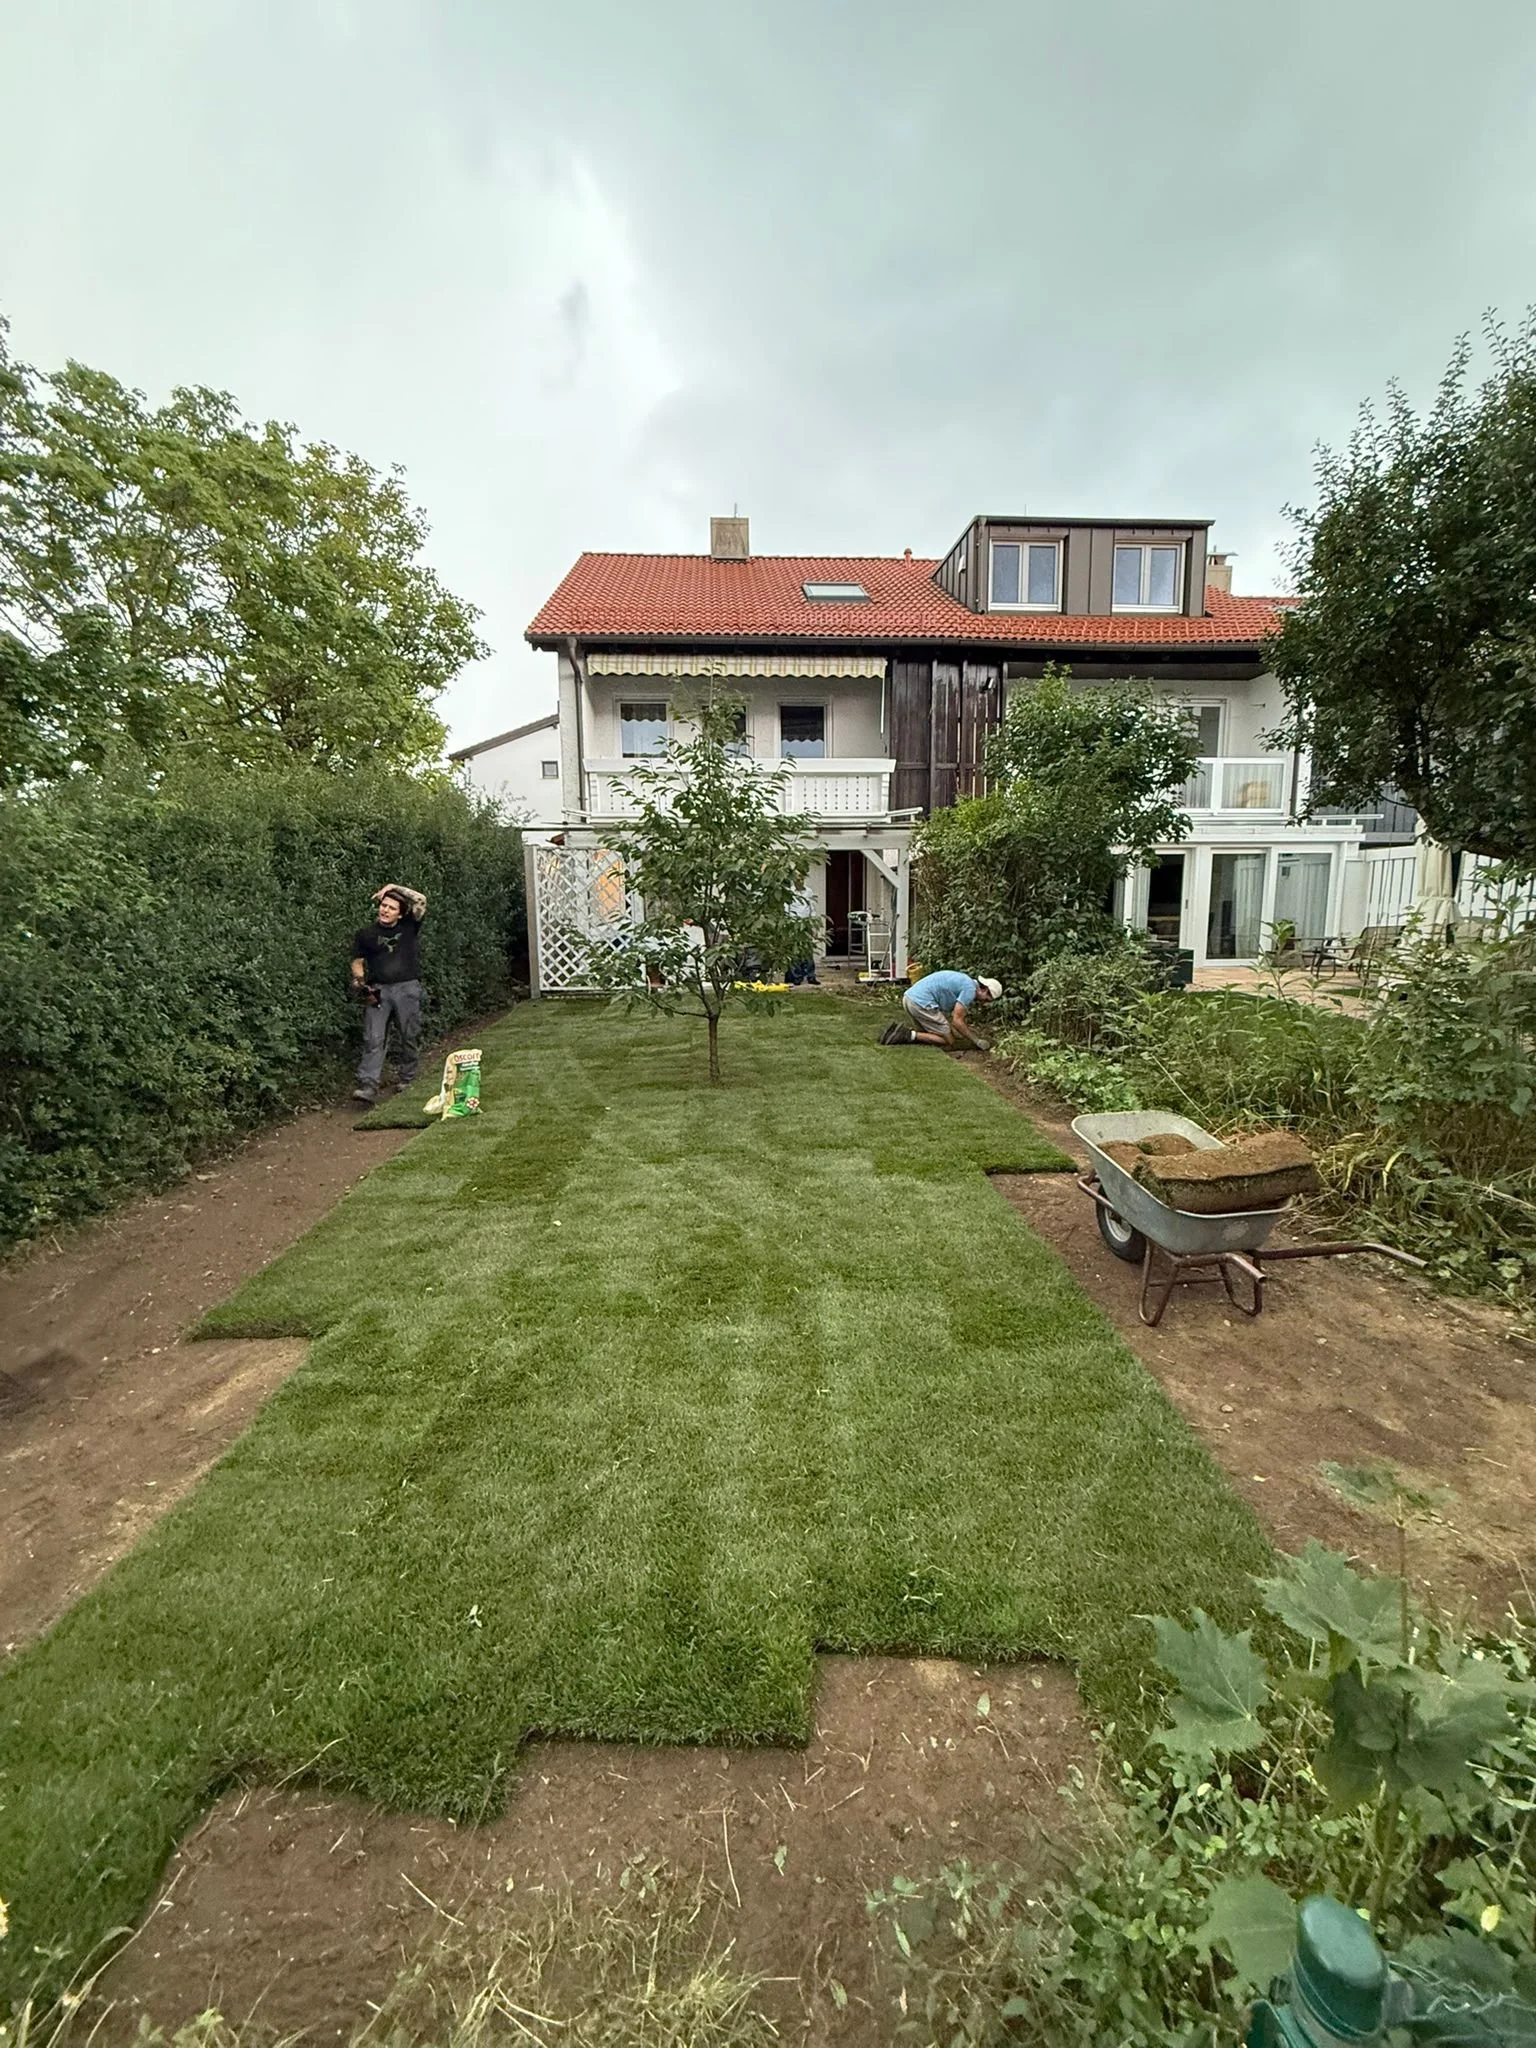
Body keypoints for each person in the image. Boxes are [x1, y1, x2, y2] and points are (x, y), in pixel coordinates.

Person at [350, 883, 428, 1104]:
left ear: (400, 913)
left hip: (407, 988)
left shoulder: (409, 926)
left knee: (409, 1035)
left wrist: (394, 887)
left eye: (392, 908)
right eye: (384, 906)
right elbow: (357, 961)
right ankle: (368, 1085)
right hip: (379, 991)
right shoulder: (366, 935)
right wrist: (360, 982)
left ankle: (408, 1077)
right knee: (374, 1038)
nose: (385, 910)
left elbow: (420, 899)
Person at [880, 969, 1001, 1049]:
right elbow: (957, 1021)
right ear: (984, 989)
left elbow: (953, 1018)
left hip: (909, 999)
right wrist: (976, 1041)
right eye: (987, 998)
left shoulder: (966, 981)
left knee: (934, 1034)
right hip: (921, 1003)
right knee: (948, 1041)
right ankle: (907, 1034)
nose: (985, 1002)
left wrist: (960, 1031)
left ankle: (894, 1032)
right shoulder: (970, 990)